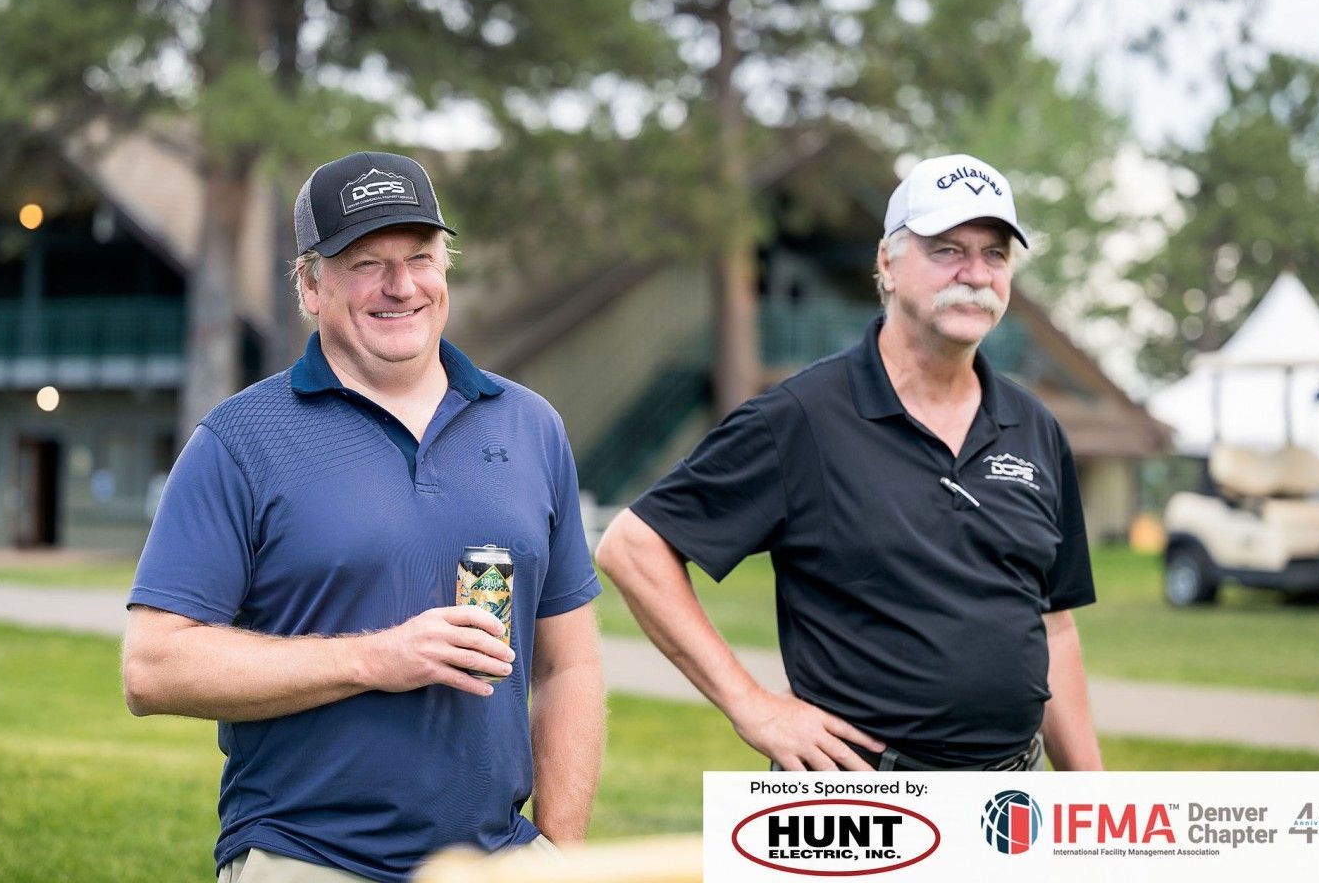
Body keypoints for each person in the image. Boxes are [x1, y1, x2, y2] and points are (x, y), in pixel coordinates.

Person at [123, 151, 604, 882]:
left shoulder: (529, 425)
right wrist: (376, 659)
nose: (400, 286)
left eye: (419, 257)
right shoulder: (240, 441)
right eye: (365, 263)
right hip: (307, 858)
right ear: (310, 286)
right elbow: (152, 668)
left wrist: (561, 855)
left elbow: (569, 664)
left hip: (498, 862)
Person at [596, 152, 1102, 773]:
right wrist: (753, 707)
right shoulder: (801, 418)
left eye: (995, 254)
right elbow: (632, 547)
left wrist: (1092, 810)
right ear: (887, 264)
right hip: (855, 802)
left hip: (1007, 803)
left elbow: (1055, 627)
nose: (975, 273)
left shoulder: (1035, 428)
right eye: (947, 249)